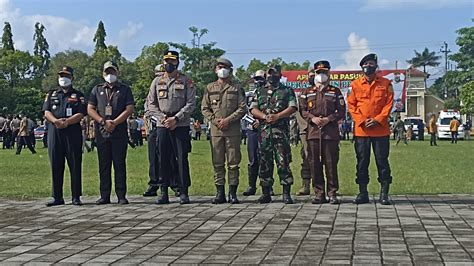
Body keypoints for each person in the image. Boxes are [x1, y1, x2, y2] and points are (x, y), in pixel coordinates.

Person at [147, 50, 196, 204]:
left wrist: (176, 118)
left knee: (181, 158)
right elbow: (151, 104)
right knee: (162, 158)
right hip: (162, 124)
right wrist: (163, 118)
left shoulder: (186, 81)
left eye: (172, 61)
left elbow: (191, 103)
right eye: (166, 61)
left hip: (179, 124)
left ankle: (183, 191)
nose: (169, 64)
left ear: (177, 62)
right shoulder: (157, 82)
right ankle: (163, 191)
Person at [347, 53, 394, 205]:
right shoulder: (355, 85)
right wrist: (361, 120)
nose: (368, 66)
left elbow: (389, 104)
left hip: (381, 130)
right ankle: (362, 193)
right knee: (362, 162)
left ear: (376, 66)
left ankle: (384, 193)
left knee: (382, 161)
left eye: (371, 64)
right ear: (361, 67)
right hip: (362, 131)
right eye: (365, 64)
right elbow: (352, 105)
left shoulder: (386, 83)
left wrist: (377, 120)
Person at [87, 61, 135, 205]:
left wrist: (115, 122)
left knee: (119, 164)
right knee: (104, 165)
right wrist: (102, 121)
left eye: (112, 72)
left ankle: (121, 195)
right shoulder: (97, 89)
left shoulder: (125, 89)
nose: (110, 75)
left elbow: (129, 108)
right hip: (102, 132)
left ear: (117, 73)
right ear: (103, 74)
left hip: (119, 132)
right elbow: (90, 109)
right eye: (107, 72)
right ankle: (104, 195)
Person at [250, 65, 297, 204]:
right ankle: (266, 193)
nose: (271, 76)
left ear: (280, 74)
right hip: (264, 134)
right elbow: (253, 108)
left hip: (280, 133)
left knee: (283, 162)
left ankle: (286, 193)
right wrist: (264, 117)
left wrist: (278, 116)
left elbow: (293, 107)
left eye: (274, 73)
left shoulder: (286, 90)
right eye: (269, 73)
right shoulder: (259, 91)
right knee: (265, 163)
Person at [202, 58, 246, 204]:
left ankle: (232, 193)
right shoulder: (209, 88)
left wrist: (228, 120)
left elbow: (242, 108)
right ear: (215, 69)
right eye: (220, 67)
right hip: (216, 131)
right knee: (217, 162)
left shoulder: (236, 88)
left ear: (230, 70)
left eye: (226, 67)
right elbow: (205, 108)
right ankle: (219, 193)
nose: (223, 70)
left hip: (232, 130)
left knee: (233, 163)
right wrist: (216, 121)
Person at [300, 60, 345, 204]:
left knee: (331, 164)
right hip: (313, 133)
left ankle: (332, 193)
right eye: (319, 73)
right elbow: (302, 110)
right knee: (314, 164)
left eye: (324, 72)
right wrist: (312, 118)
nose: (321, 75)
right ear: (315, 74)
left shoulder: (335, 91)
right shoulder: (307, 92)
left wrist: (329, 119)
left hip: (330, 133)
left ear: (329, 73)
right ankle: (319, 193)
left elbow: (342, 110)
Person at [43, 66, 86, 206]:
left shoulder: (78, 95)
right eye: (61, 75)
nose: (63, 78)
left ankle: (75, 196)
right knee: (56, 164)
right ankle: (57, 197)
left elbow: (81, 113)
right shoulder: (52, 94)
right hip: (55, 131)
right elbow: (46, 111)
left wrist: (67, 122)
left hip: (72, 131)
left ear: (72, 78)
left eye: (66, 76)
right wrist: (55, 121)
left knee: (74, 164)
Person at [142, 64, 165, 197]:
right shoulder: (151, 93)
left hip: (168, 127)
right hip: (154, 128)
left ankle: (174, 184)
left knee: (171, 158)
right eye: (157, 76)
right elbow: (148, 110)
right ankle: (154, 183)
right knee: (154, 158)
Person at [295, 67, 313, 196]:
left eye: (315, 74)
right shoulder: (304, 92)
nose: (312, 77)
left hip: (324, 130)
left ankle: (327, 187)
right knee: (306, 158)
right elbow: (300, 112)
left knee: (327, 159)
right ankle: (305, 186)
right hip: (306, 130)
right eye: (310, 75)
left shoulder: (330, 91)